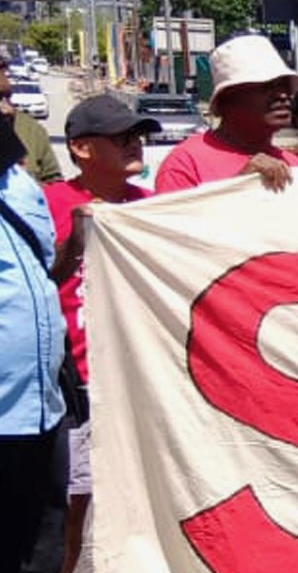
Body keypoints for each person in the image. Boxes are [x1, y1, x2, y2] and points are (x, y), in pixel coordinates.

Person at [42, 95, 161, 573]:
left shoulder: (150, 208)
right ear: (81, 149)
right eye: (122, 137)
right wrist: (72, 241)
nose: (136, 145)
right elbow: (36, 281)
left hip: (134, 379)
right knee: (74, 507)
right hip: (76, 384)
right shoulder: (48, 203)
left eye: (138, 136)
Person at [0, 109, 68, 573]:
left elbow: (45, 274)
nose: (8, 110)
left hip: (43, 405)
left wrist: (78, 243)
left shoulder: (19, 185)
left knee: (42, 542)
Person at [155, 35, 298, 194]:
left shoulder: (296, 167)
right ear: (225, 101)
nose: (283, 96)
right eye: (266, 86)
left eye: (285, 87)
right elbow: (173, 218)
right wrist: (240, 184)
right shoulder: (184, 165)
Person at [0, 66, 61, 184]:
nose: (6, 109)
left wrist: (26, 184)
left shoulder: (30, 129)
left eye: (5, 98)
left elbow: (53, 182)